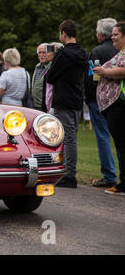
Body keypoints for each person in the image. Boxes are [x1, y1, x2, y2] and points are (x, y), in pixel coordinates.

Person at [47, 19, 88, 188]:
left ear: (63, 33)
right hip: (77, 97)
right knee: (72, 136)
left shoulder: (63, 54)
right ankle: (68, 170)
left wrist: (56, 57)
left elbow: (50, 77)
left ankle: (69, 174)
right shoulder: (83, 53)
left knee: (68, 138)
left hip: (64, 98)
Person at [84, 18, 118, 188]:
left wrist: (89, 98)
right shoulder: (120, 51)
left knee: (103, 136)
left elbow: (92, 78)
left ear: (101, 33)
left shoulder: (97, 51)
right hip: (118, 99)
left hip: (100, 99)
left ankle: (109, 175)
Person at [94, 21, 125, 195]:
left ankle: (123, 184)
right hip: (115, 105)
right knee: (121, 144)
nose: (112, 37)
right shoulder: (120, 52)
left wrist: (104, 72)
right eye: (111, 34)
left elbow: (123, 70)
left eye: (116, 34)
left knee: (122, 145)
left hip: (119, 104)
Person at [32, 43, 52, 110]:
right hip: (34, 104)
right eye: (39, 53)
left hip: (45, 105)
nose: (41, 55)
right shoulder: (37, 66)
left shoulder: (52, 66)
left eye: (44, 52)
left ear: (49, 54)